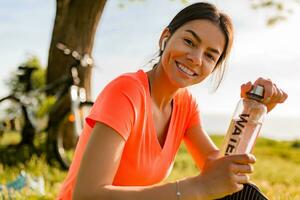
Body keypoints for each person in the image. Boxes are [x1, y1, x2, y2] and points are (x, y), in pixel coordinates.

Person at [57, 2, 288, 200]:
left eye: (210, 55)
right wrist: (195, 188)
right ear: (165, 37)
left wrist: (254, 112)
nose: (196, 58)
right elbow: (87, 195)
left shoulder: (185, 105)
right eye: (189, 42)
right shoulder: (126, 92)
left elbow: (217, 167)